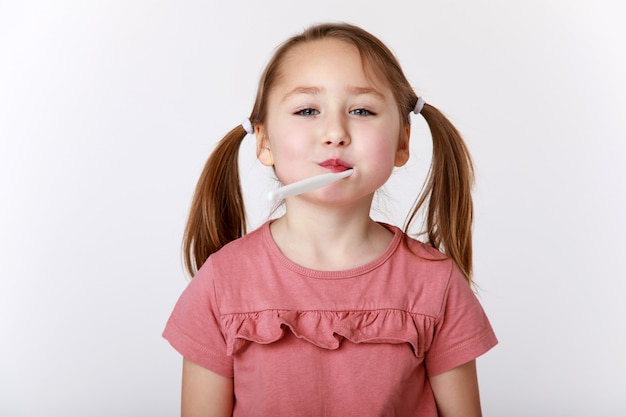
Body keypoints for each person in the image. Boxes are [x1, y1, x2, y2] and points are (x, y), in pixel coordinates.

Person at [163, 22, 497, 417]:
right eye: (307, 110)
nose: (335, 133)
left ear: (402, 143)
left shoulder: (435, 282)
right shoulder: (221, 282)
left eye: (361, 110)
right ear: (264, 141)